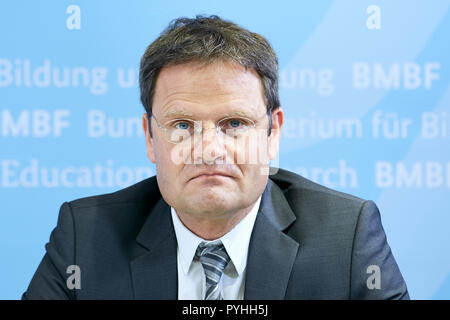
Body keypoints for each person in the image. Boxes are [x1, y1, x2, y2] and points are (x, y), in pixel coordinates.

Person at [22, 15, 409, 300]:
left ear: (273, 133)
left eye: (234, 123)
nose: (209, 149)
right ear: (149, 137)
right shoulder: (85, 238)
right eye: (183, 126)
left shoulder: (346, 238)